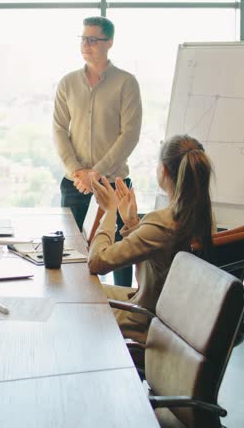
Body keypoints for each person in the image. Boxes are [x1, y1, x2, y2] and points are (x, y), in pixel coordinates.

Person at [88, 135, 214, 343]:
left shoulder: (162, 222)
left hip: (146, 318)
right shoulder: (200, 218)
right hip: (174, 317)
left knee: (78, 296)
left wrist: (109, 212)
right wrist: (133, 224)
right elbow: (161, 257)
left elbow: (97, 262)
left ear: (163, 171)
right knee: (89, 291)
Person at [53, 16, 142, 287]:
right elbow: (59, 130)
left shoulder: (126, 82)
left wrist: (96, 173)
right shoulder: (67, 83)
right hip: (75, 184)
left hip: (114, 183)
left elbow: (130, 135)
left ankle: (124, 311)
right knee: (71, 253)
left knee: (120, 252)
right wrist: (79, 172)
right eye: (83, 38)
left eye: (93, 39)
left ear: (109, 42)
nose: (86, 44)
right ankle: (73, 308)